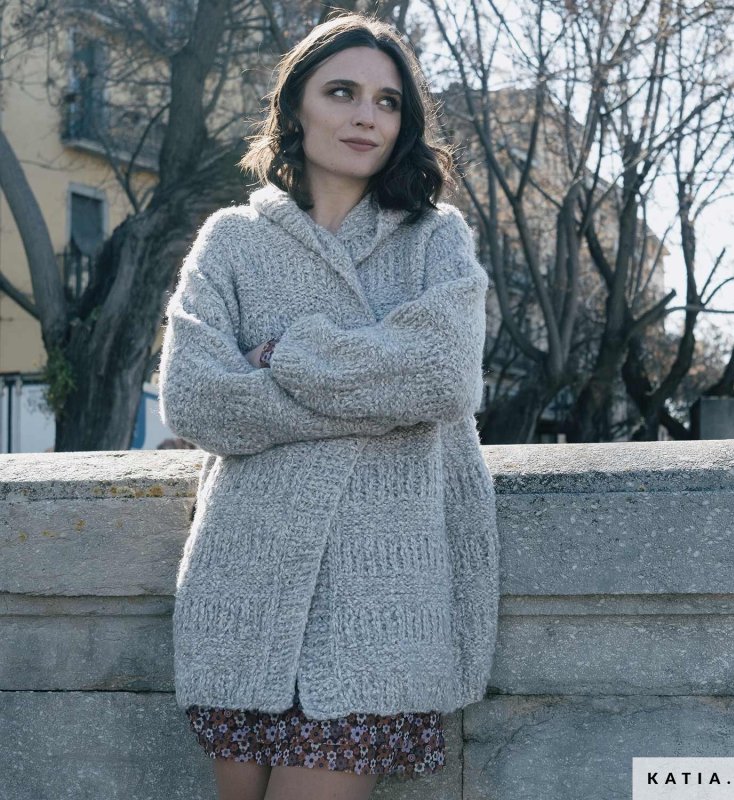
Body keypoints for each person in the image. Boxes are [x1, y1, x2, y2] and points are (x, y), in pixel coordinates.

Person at [157, 10, 499, 800]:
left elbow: (444, 377)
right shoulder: (231, 241)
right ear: (295, 108)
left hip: (379, 596)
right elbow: (195, 400)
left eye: (387, 101)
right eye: (341, 92)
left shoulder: (434, 238)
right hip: (243, 584)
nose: (365, 116)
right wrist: (376, 393)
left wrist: (285, 355)